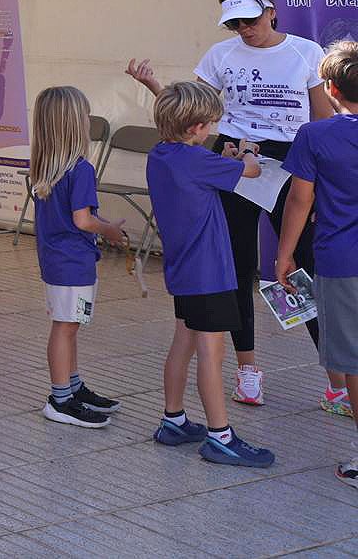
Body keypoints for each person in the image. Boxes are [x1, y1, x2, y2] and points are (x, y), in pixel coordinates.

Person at [127, 0, 339, 411]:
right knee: (239, 268)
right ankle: (247, 372)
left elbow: (321, 123)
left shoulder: (305, 52)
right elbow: (187, 108)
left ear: (272, 11)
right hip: (236, 163)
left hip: (292, 166)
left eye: (250, 19)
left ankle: (336, 381)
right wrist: (153, 86)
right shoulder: (219, 56)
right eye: (234, 22)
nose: (243, 28)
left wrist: (325, 186)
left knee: (302, 269)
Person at [145, 80, 274, 468]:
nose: (214, 130)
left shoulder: (160, 155)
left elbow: (212, 171)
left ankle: (173, 420)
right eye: (210, 125)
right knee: (211, 354)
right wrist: (247, 152)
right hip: (210, 273)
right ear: (195, 128)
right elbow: (249, 172)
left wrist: (227, 157)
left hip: (183, 270)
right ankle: (221, 437)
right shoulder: (200, 160)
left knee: (182, 342)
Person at [276, 41, 358, 485]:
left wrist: (284, 254)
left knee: (355, 360)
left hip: (342, 260)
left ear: (329, 88)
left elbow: (300, 199)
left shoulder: (315, 135)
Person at [25, 86, 127, 429]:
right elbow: (83, 220)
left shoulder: (45, 167)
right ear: (73, 124)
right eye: (85, 115)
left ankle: (72, 386)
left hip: (57, 260)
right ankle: (60, 398)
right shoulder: (80, 169)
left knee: (69, 326)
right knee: (66, 328)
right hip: (73, 262)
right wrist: (110, 229)